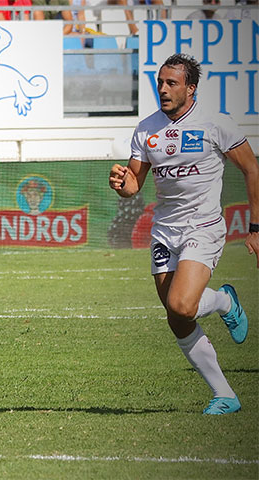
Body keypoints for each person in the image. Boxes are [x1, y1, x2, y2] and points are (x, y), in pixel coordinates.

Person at [108, 53, 257, 415]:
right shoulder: (146, 129)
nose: (163, 89)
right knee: (177, 317)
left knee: (181, 305)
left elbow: (252, 170)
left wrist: (256, 228)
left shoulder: (216, 123)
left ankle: (223, 302)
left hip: (202, 227)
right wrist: (122, 184)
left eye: (171, 83)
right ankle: (225, 395)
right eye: (160, 82)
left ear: (191, 88)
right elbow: (134, 184)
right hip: (165, 231)